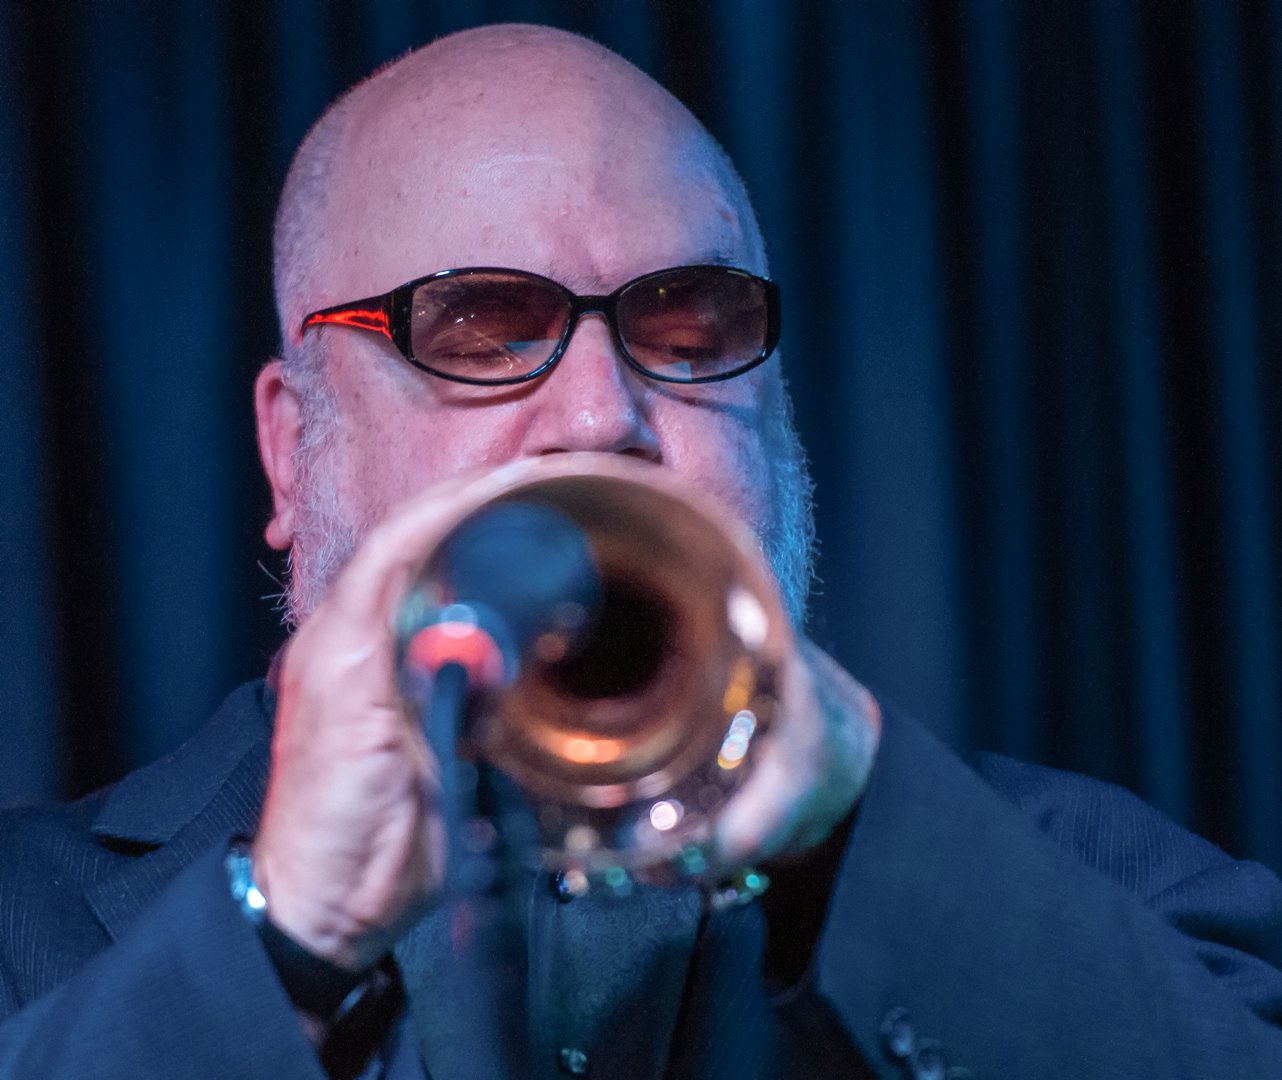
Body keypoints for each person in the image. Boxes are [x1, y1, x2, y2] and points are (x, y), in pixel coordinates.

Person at [1, 23, 1280, 1080]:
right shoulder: (28, 925)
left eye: (690, 326)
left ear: (777, 423)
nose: (604, 417)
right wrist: (281, 941)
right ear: (295, 450)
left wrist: (869, 844)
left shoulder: (1084, 878)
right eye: (484, 327)